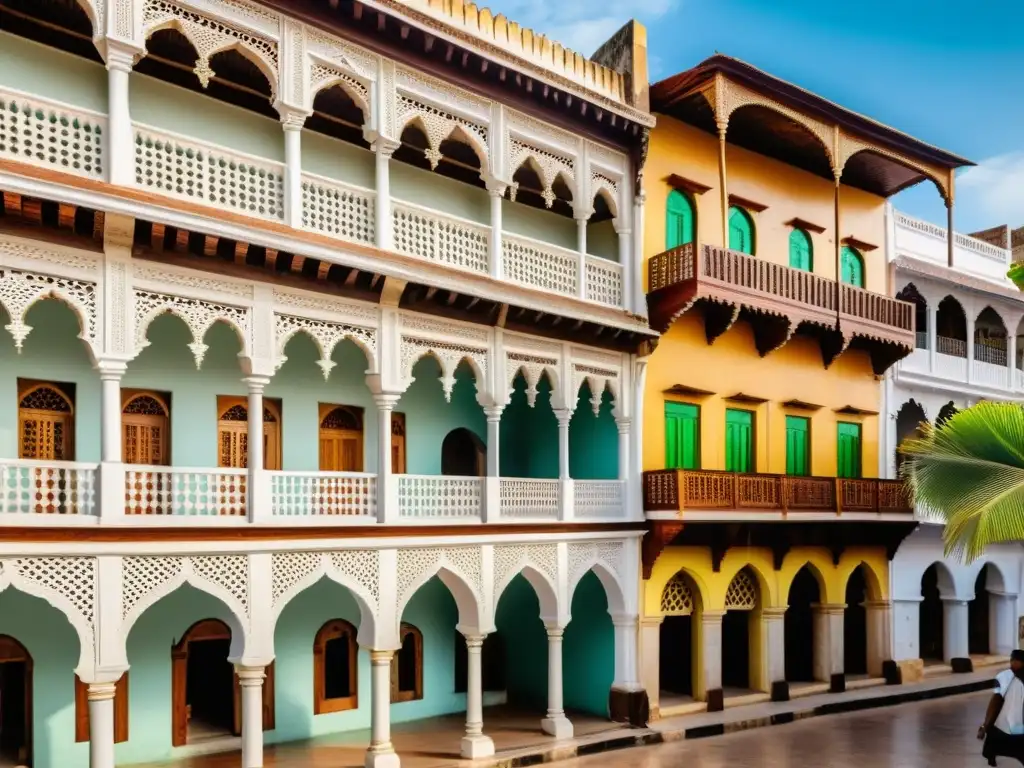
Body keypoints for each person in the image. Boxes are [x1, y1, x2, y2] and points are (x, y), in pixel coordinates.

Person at [979, 650, 1024, 766]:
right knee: (995, 741)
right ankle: (991, 757)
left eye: (1016, 661)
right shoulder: (1003, 677)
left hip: (1019, 724)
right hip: (1003, 722)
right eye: (1012, 660)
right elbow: (995, 701)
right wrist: (986, 725)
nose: (1013, 663)